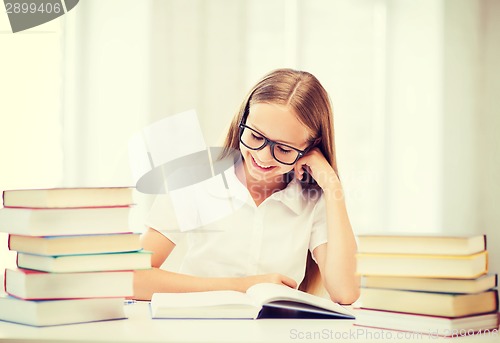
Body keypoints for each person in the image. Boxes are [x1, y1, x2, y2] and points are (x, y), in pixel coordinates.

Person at [134, 68, 360, 304]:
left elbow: (345, 293)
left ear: (311, 147)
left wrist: (333, 186)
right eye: (256, 136)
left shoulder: (313, 199)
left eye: (283, 149)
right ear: (243, 121)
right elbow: (132, 278)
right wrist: (241, 287)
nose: (263, 156)